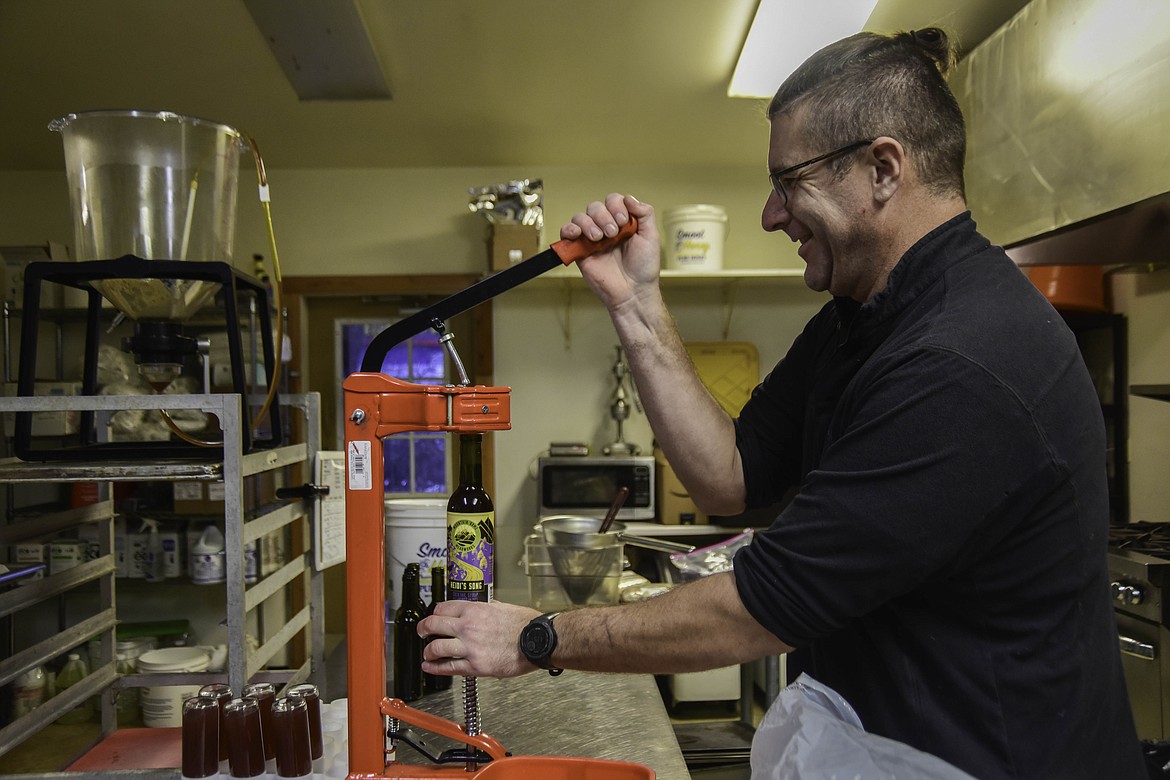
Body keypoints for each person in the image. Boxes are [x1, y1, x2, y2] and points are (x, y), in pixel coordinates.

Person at [420, 28, 1145, 779]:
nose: (771, 214)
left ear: (883, 169)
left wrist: (538, 637)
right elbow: (728, 477)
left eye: (788, 181)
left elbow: (759, 609)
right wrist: (636, 303)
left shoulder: (961, 364)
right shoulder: (858, 317)